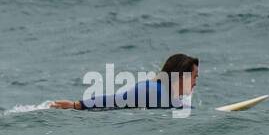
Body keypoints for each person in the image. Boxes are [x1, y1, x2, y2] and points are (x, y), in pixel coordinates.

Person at [49, 53, 199, 111]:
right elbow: (115, 100)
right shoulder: (153, 90)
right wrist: (76, 105)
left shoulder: (166, 95)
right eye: (194, 77)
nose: (195, 82)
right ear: (182, 77)